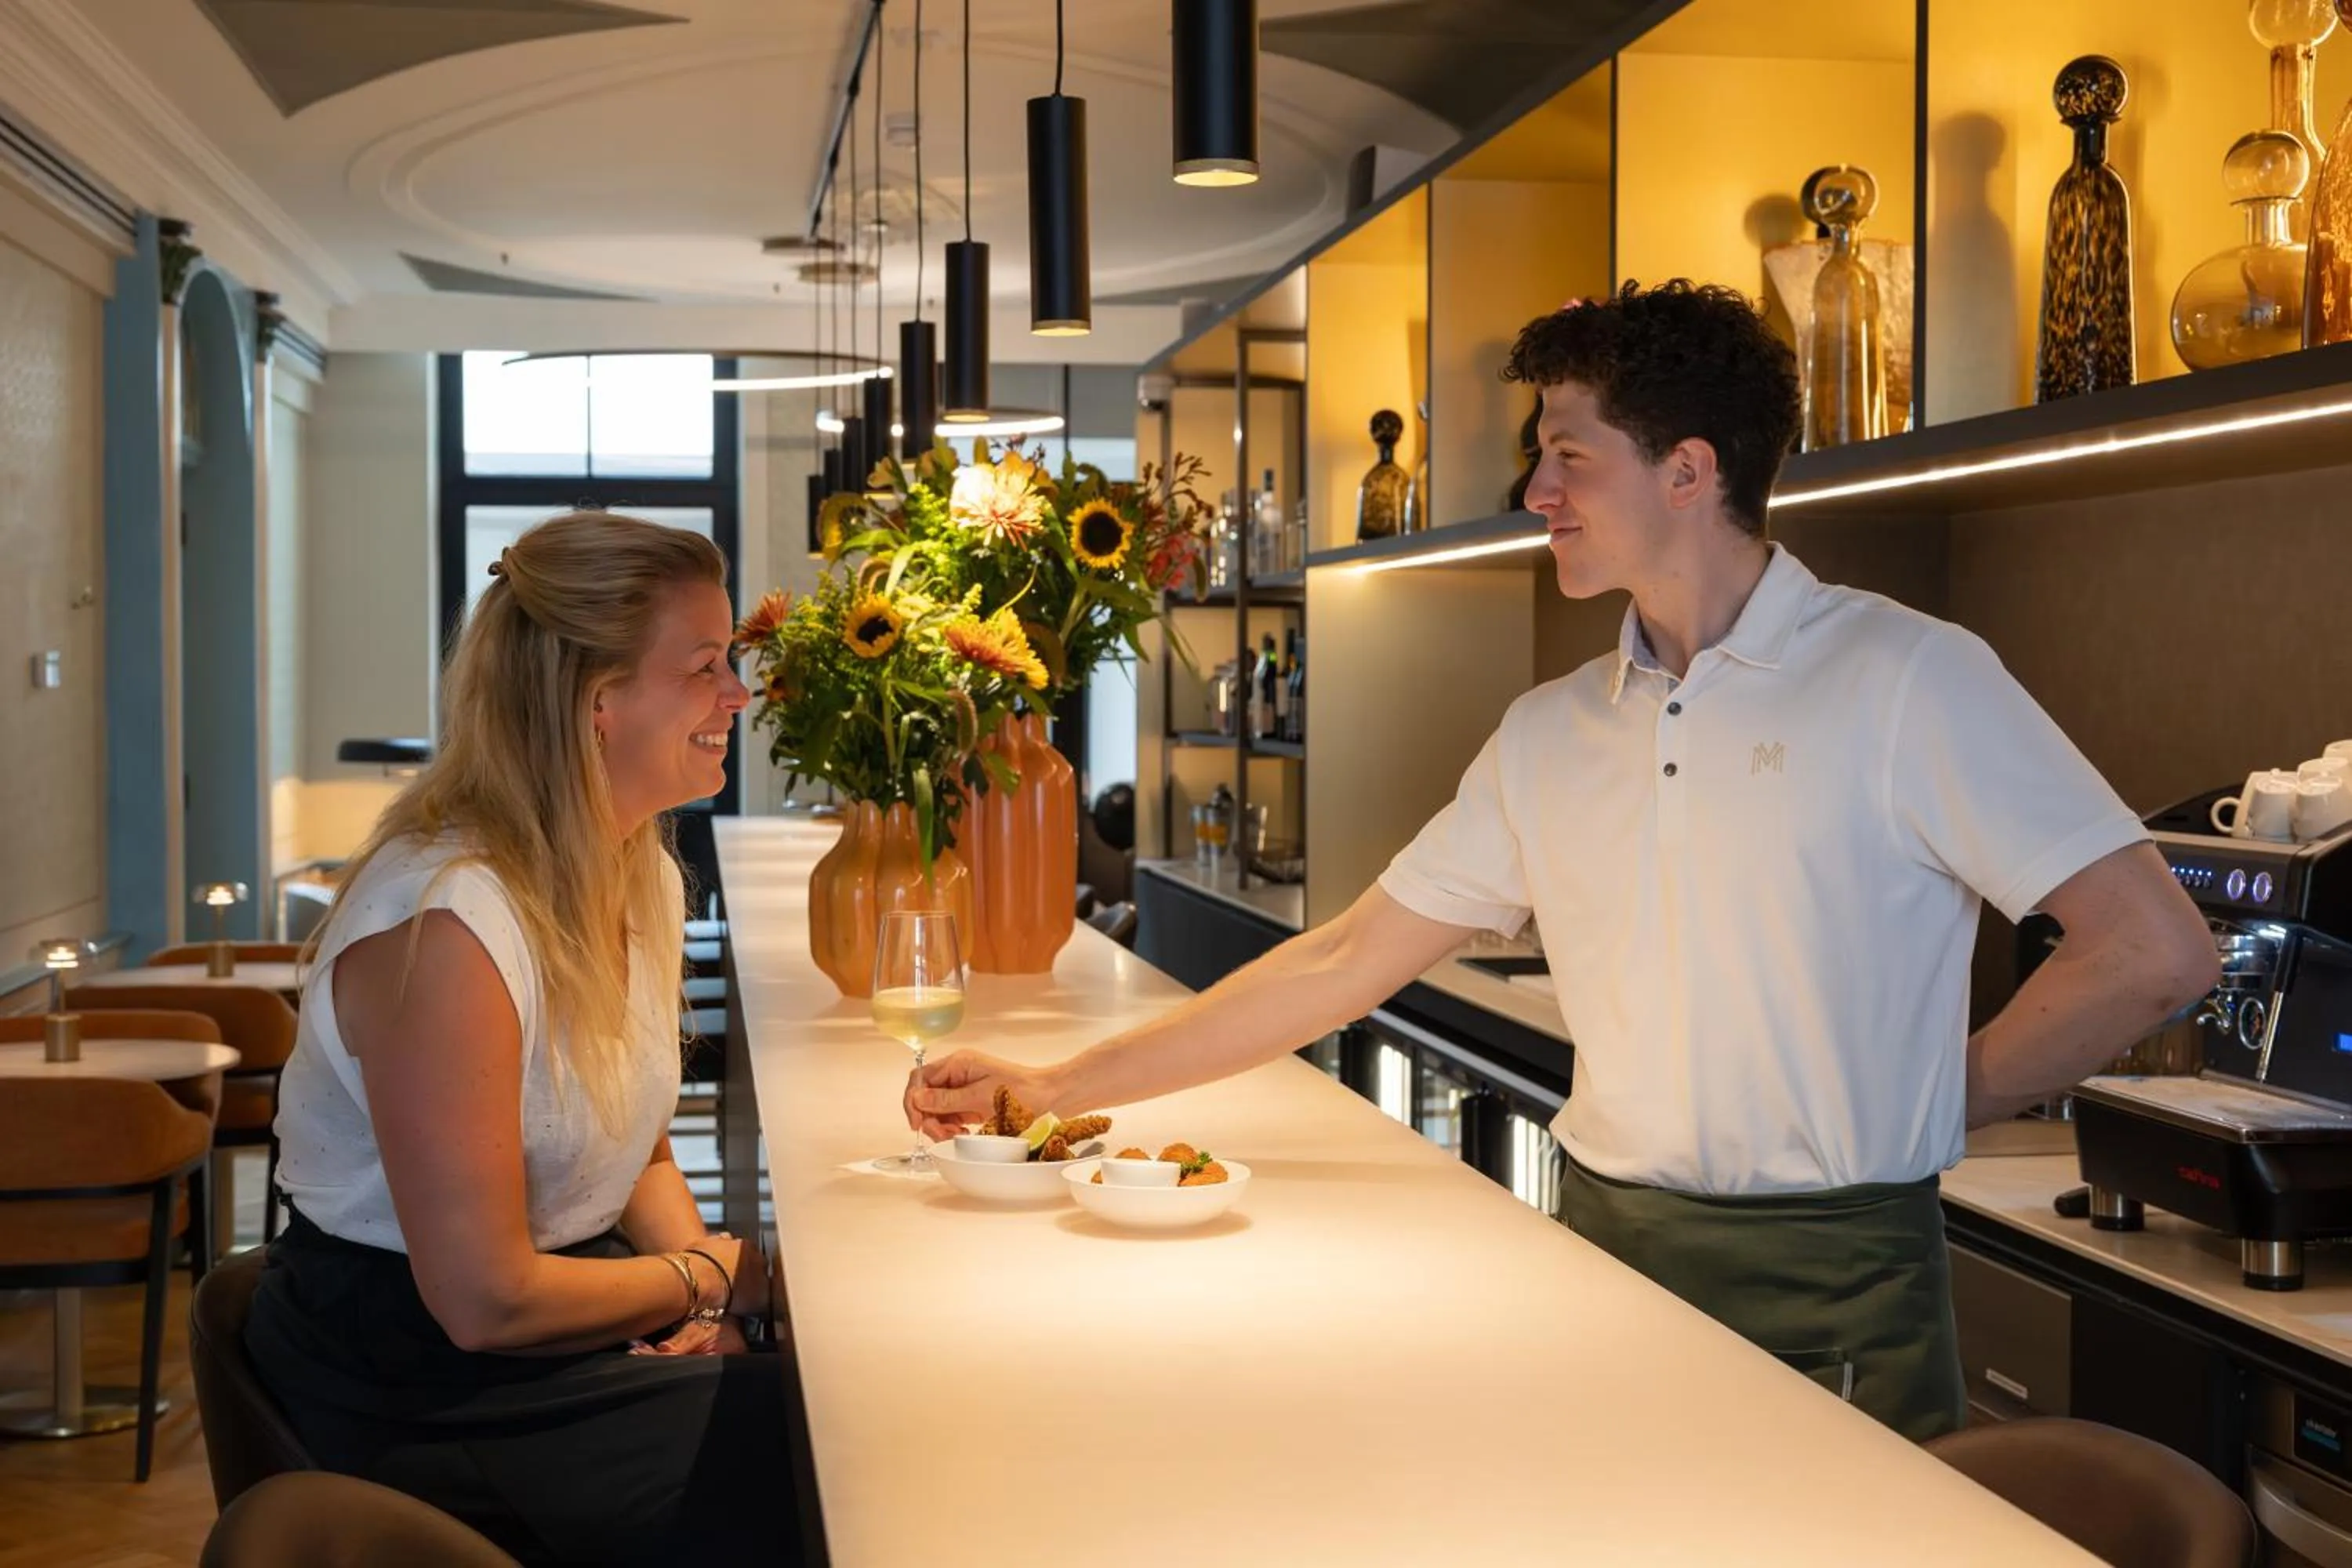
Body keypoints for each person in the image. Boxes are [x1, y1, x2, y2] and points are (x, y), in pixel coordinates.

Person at [908, 281, 2220, 1441]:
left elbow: (2153, 948)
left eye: (1567, 457)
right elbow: (1349, 958)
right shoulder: (1551, 732)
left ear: (1689, 471)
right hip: (1598, 1261)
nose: (1536, 494)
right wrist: (1058, 1086)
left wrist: (1948, 1093)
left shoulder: (1910, 679)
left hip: (1843, 1293)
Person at [247, 511, 790, 1565]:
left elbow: (629, 1132)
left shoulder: (627, 866)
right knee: (811, 1462)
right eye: (706, 666)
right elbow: (485, 1299)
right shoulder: (446, 925)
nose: (737, 695)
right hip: (416, 1383)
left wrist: (699, 1282)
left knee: (810, 1406)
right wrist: (712, 1279)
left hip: (554, 1321)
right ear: (598, 702)